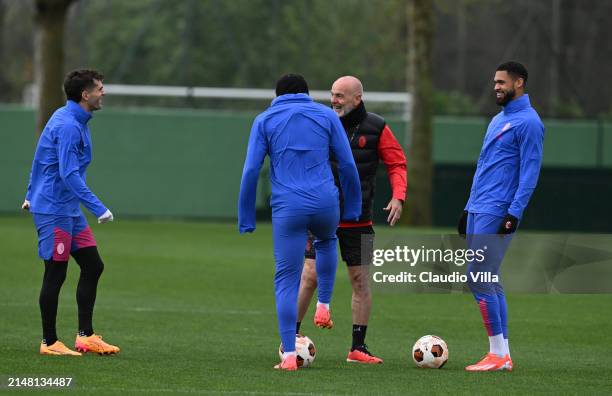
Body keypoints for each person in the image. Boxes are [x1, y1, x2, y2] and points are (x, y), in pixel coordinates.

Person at [238, 74, 361, 371]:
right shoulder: (326, 115)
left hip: (288, 207)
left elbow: (252, 169)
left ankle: (290, 356)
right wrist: (353, 207)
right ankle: (324, 304)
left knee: (286, 280)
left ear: (277, 95)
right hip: (325, 202)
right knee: (327, 241)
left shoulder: (265, 120)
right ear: (307, 93)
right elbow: (346, 163)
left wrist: (246, 216)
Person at [297, 76, 407, 364]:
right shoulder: (320, 122)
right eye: (333, 94)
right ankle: (289, 339)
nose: (334, 100)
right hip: (321, 217)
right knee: (309, 275)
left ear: (357, 98)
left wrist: (399, 196)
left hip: (359, 220)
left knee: (360, 281)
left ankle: (358, 348)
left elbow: (396, 162)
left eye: (340, 96)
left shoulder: (377, 127)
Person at [22, 69, 120, 356]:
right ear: (84, 94)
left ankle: (85, 336)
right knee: (55, 272)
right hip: (54, 210)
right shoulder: (67, 125)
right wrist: (98, 207)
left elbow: (40, 157)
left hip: (67, 209)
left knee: (93, 265)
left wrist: (30, 193)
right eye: (100, 88)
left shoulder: (74, 119)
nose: (104, 93)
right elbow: (68, 174)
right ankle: (49, 342)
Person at [458, 61, 544, 371]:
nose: (496, 86)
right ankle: (503, 354)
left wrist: (514, 213)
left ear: (519, 83)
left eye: (502, 82)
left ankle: (497, 354)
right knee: (489, 278)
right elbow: (483, 167)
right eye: (494, 81)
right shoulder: (497, 120)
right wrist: (468, 207)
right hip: (479, 208)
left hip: (499, 209)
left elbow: (530, 173)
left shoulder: (530, 123)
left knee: (478, 275)